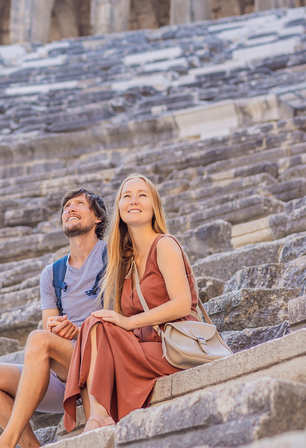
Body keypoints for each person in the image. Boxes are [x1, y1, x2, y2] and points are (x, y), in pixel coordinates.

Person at [0, 188, 109, 448]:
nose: (70, 209)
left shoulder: (112, 259)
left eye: (79, 204)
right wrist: (61, 331)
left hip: (101, 361)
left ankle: (7, 441)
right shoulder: (52, 273)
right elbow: (50, 327)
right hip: (64, 372)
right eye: (66, 206)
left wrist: (78, 332)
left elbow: (119, 321)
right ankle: (31, 446)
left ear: (98, 218)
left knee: (38, 339)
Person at [62, 174, 200, 432]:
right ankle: (100, 414)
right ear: (120, 208)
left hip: (173, 346)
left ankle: (99, 416)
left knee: (101, 324)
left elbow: (181, 305)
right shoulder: (123, 261)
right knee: (98, 321)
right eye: (127, 196)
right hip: (142, 346)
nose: (133, 200)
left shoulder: (165, 244)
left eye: (142, 195)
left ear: (154, 206)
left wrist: (127, 322)